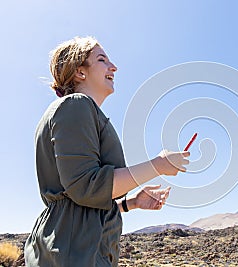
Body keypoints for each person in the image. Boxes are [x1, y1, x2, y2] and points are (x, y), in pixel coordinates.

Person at [24, 36, 190, 267]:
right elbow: (86, 186)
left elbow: (82, 198)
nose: (114, 67)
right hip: (75, 251)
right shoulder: (76, 105)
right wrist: (158, 165)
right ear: (80, 72)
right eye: (102, 60)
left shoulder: (79, 110)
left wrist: (130, 203)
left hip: (74, 245)